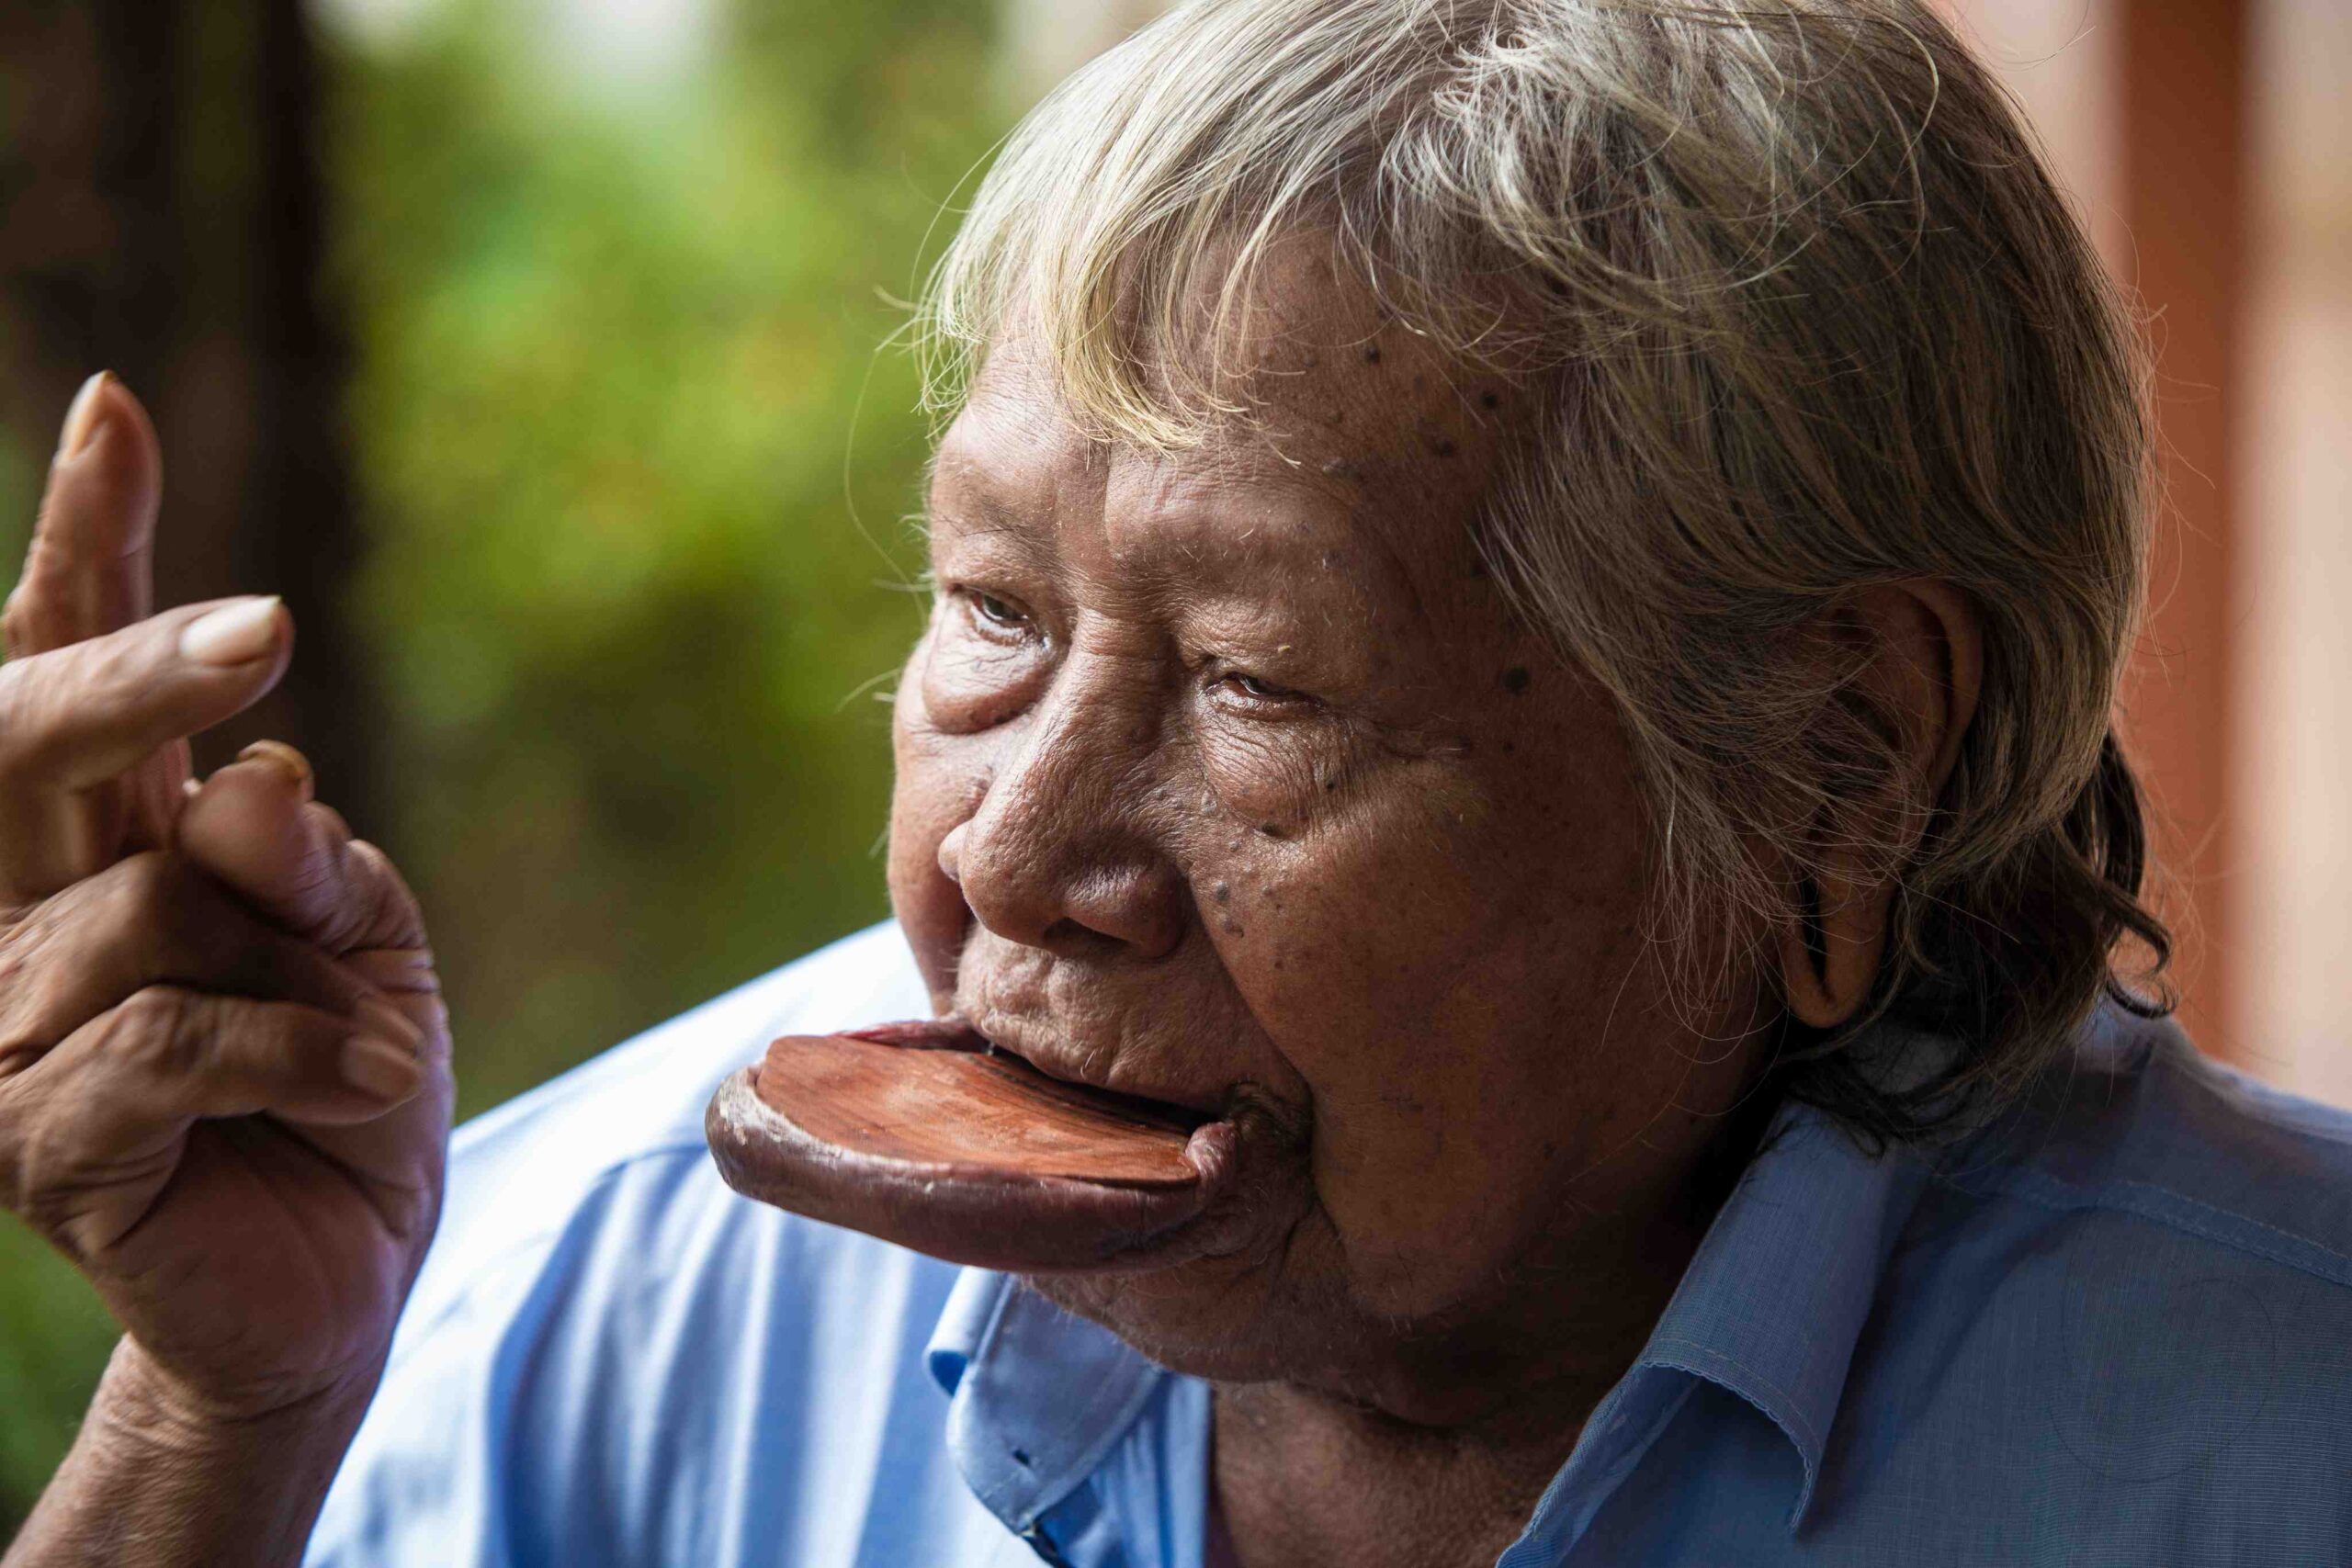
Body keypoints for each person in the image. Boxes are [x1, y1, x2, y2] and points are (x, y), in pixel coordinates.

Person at [5, 1, 2350, 1564]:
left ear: (1835, 780)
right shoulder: (598, 1286)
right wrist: (221, 1425)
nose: (1012, 857)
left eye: (1258, 683)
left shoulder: (2271, 1429)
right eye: (992, 618)